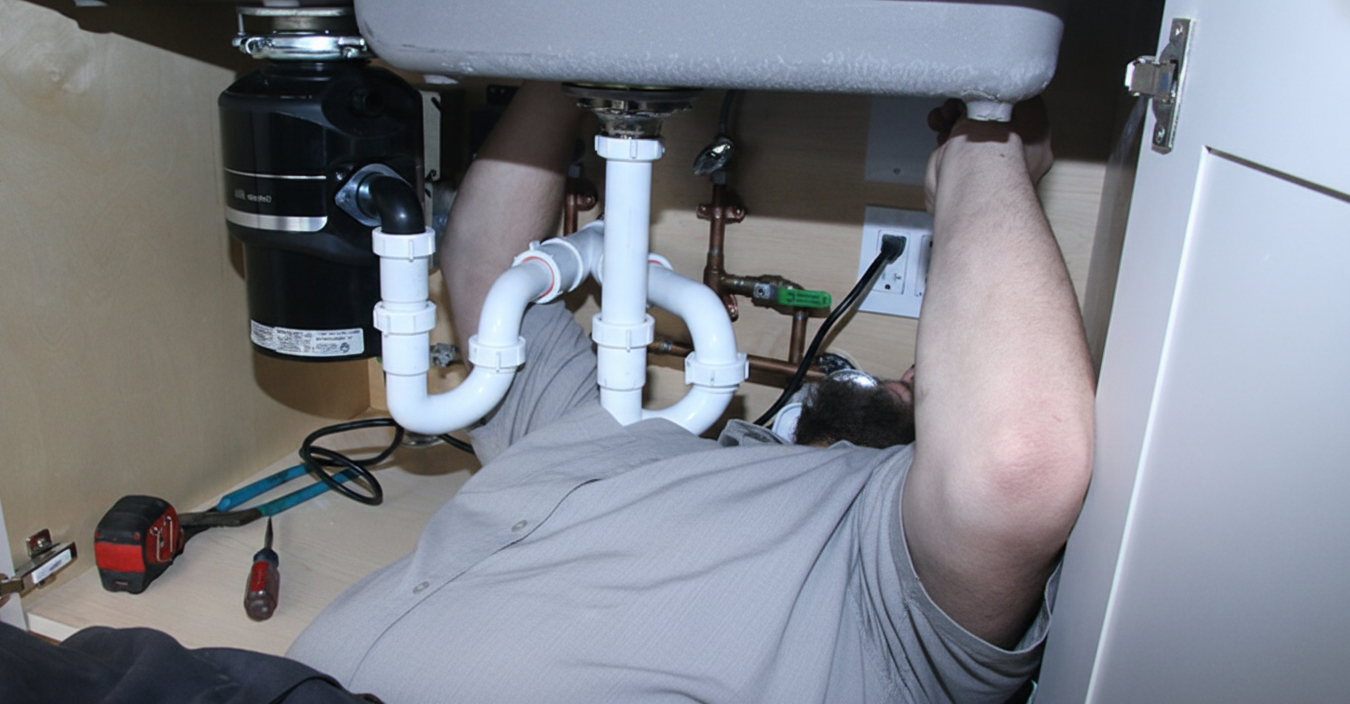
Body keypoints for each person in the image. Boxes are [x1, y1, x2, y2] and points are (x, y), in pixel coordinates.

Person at [285, 82, 1094, 703]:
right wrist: (560, 71)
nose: (922, 368)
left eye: (936, 388)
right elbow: (486, 273)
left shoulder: (890, 590)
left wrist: (987, 148)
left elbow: (1015, 461)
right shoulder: (633, 436)